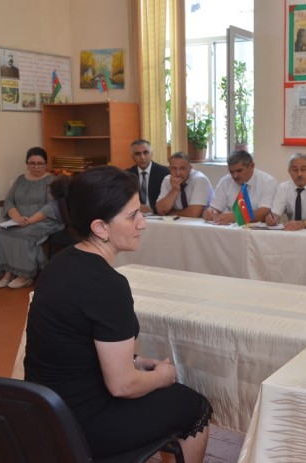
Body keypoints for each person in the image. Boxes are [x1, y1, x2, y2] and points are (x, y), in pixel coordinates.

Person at [24, 166, 212, 462]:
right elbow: (123, 386)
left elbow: (73, 347)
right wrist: (162, 377)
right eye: (133, 215)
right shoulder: (108, 285)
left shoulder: (59, 263)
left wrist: (134, 361)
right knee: (194, 407)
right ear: (101, 227)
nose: (143, 223)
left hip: (43, 412)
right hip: (80, 425)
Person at [0, 147, 63, 289]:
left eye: (40, 163)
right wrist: (18, 218)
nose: (36, 167)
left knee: (24, 235)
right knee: (3, 232)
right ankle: (9, 272)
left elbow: (50, 206)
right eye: (32, 163)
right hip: (21, 220)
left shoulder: (51, 180)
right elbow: (9, 201)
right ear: (27, 164)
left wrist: (29, 221)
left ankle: (25, 275)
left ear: (46, 164)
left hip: (44, 220)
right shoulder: (21, 179)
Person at [203, 150, 278, 224]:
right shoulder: (225, 181)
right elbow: (215, 208)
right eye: (231, 172)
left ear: (252, 166)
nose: (235, 176)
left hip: (257, 229)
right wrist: (211, 212)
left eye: (239, 171)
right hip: (231, 228)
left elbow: (264, 212)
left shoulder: (267, 182)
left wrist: (236, 217)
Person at [266, 153, 306, 230]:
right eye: (295, 170)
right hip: (292, 231)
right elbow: (276, 213)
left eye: (303, 169)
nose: (299, 174)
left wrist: (303, 224)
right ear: (289, 172)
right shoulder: (283, 187)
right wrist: (272, 219)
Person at [156, 151, 214, 218]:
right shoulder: (167, 180)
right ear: (169, 169)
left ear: (190, 168)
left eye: (182, 168)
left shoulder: (200, 179)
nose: (178, 173)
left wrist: (171, 213)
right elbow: (160, 210)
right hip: (178, 222)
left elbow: (194, 213)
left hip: (202, 222)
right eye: (174, 168)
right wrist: (174, 190)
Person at [127, 139, 169, 214]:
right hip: (134, 214)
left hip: (157, 215)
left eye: (146, 152)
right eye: (137, 154)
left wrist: (153, 210)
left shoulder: (164, 173)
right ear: (132, 157)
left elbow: (168, 200)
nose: (142, 157)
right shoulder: (127, 175)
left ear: (151, 154)